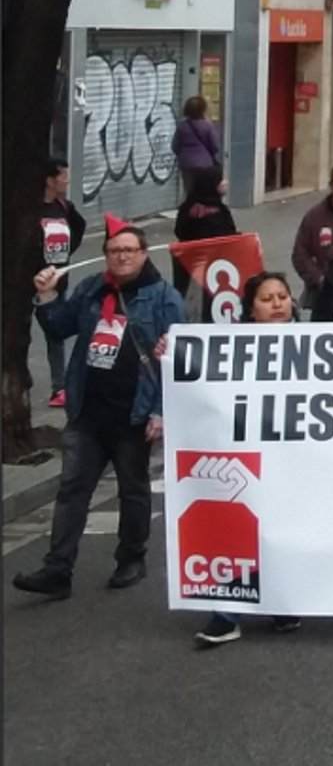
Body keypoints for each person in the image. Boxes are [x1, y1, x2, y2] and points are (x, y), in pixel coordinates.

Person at [13, 215, 185, 600]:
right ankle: (57, 569)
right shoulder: (92, 289)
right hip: (88, 412)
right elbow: (59, 327)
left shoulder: (163, 298)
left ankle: (131, 557)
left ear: (143, 254)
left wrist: (161, 411)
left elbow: (175, 361)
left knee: (133, 489)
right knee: (72, 490)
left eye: (128, 250)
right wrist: (47, 297)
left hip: (133, 413)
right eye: (113, 251)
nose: (121, 257)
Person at [190, 272, 305, 646]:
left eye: (282, 296)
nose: (277, 304)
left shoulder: (320, 342)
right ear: (250, 310)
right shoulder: (230, 347)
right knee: (241, 527)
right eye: (267, 298)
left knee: (285, 529)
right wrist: (170, 352)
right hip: (250, 454)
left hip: (300, 457)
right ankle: (226, 613)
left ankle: (283, 602)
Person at [33, 158, 86, 408]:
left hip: (56, 283)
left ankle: (59, 388)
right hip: (28, 281)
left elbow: (80, 227)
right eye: (63, 176)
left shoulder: (64, 206)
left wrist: (64, 258)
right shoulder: (31, 209)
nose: (67, 180)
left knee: (55, 335)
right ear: (50, 180)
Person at [291, 164, 333, 309]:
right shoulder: (314, 216)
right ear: (331, 186)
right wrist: (319, 279)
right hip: (322, 294)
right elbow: (300, 254)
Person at [172, 167, 238, 298]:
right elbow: (229, 237)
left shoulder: (187, 208)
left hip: (188, 271)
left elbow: (179, 231)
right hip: (215, 274)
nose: (225, 182)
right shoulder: (219, 212)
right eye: (221, 180)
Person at [170, 95, 221, 196]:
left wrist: (183, 155)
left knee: (189, 192)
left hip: (186, 165)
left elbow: (174, 146)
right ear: (202, 109)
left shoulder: (182, 126)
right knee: (204, 193)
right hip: (205, 165)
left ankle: (190, 210)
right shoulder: (207, 126)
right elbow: (215, 146)